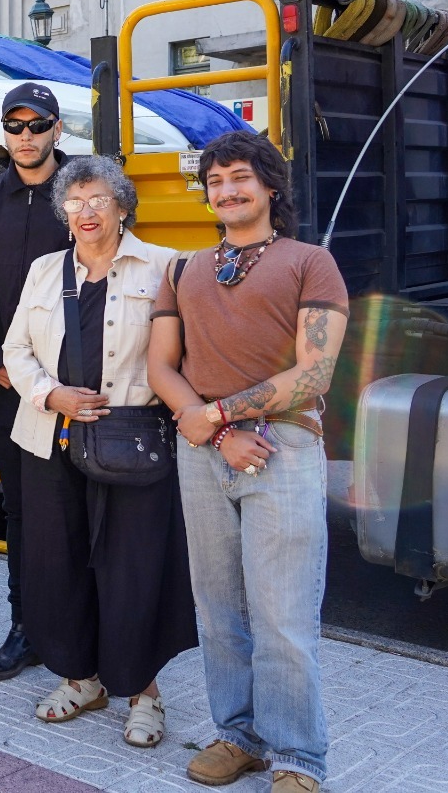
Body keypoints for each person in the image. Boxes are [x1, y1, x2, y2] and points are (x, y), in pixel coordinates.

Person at [148, 131, 348, 793]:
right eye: (215, 181)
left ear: (269, 186)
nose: (227, 190)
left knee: (282, 616)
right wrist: (210, 428)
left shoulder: (310, 263)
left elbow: (314, 374)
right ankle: (238, 735)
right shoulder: (182, 270)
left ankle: (298, 758)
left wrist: (218, 415)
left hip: (283, 448)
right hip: (204, 451)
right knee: (218, 609)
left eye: (240, 177)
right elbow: (160, 366)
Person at [2, 155, 197, 748]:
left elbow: (187, 355)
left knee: (133, 568)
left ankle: (143, 692)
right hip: (51, 438)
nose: (86, 212)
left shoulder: (164, 266)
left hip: (131, 443)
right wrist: (51, 393)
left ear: (122, 207)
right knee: (58, 563)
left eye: (98, 200)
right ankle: (81, 679)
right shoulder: (43, 270)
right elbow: (15, 350)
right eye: (75, 202)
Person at [0, 81, 74, 681]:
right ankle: (25, 627)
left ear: (57, 128)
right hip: (9, 385)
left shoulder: (84, 191)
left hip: (74, 386)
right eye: (15, 125)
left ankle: (82, 630)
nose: (25, 136)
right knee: (22, 510)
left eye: (37, 124)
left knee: (80, 508)